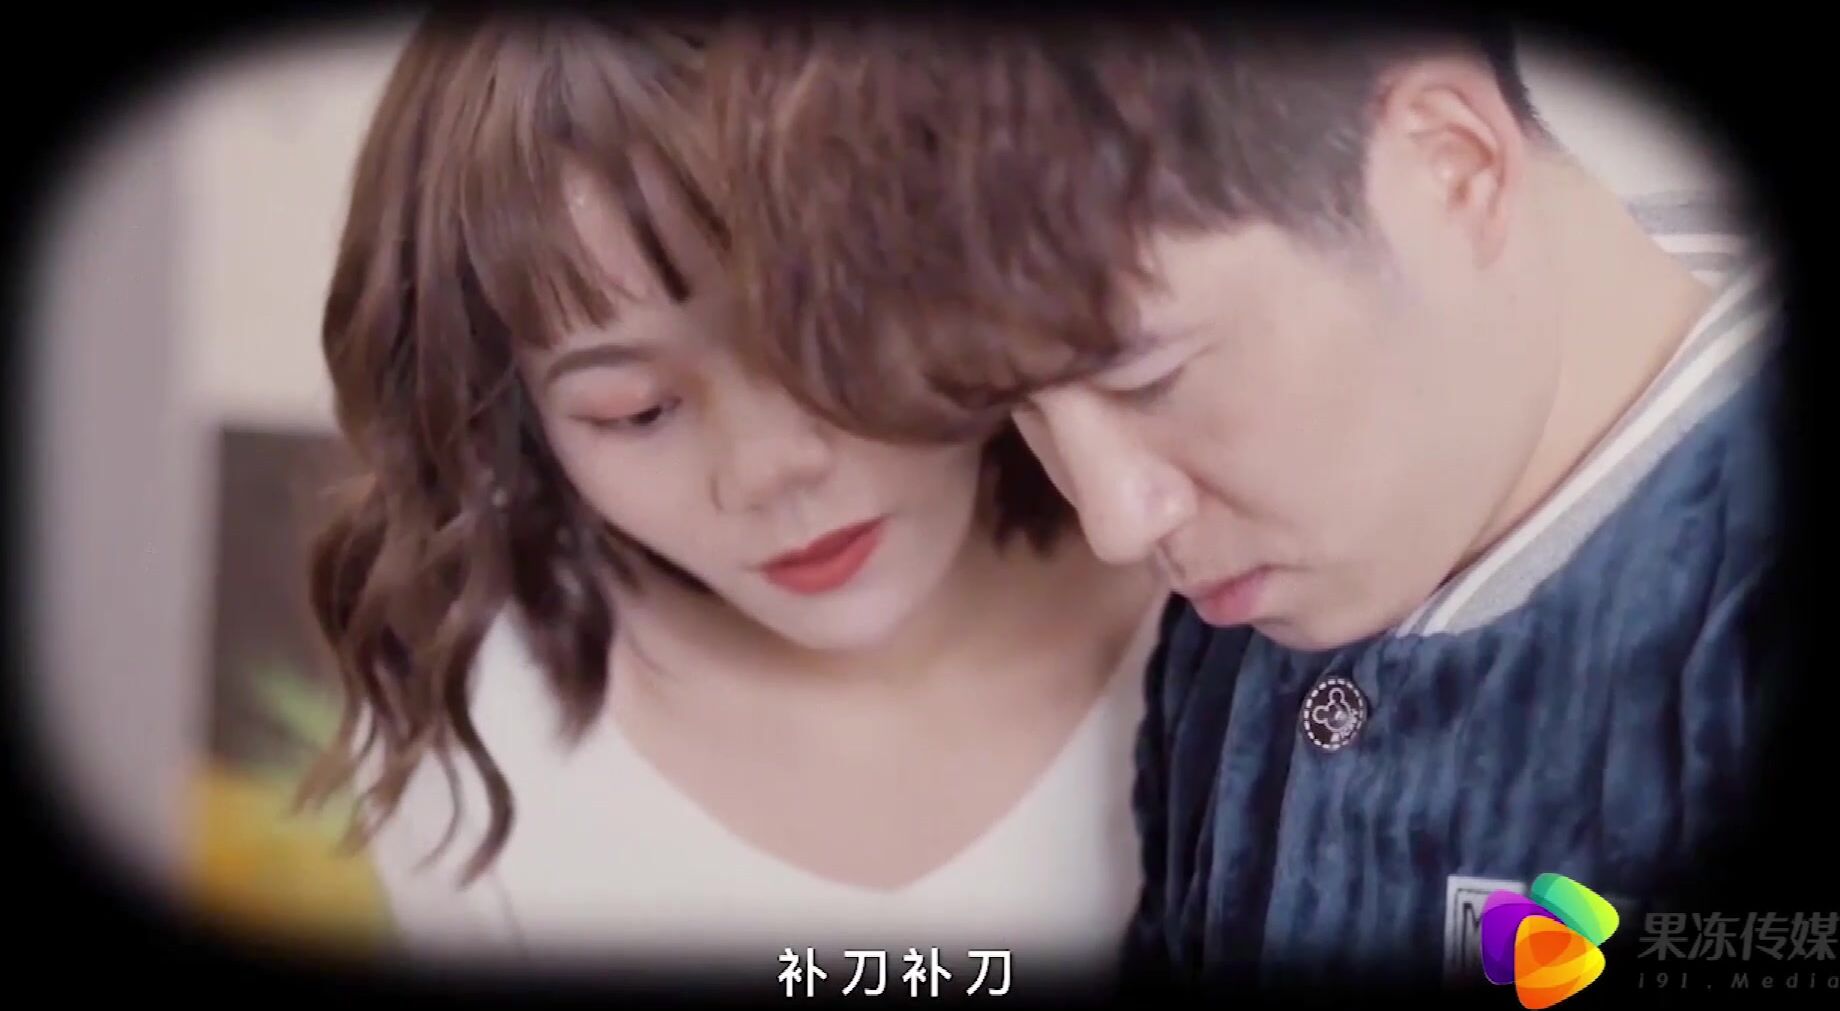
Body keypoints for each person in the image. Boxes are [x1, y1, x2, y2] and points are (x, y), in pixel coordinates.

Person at [701, 12, 1788, 995]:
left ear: (1448, 167)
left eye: (1148, 378)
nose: (1114, 522)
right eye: (1019, 408)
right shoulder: (1257, 586)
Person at [301, 12, 1163, 988]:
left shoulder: (1231, 607)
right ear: (521, 425)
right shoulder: (483, 751)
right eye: (636, 410)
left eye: (820, 338)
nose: (767, 468)